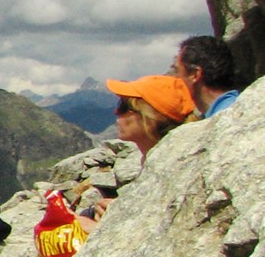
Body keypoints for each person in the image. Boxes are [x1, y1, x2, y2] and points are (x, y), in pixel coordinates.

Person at [80, 75, 193, 231]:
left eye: (124, 107)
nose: (116, 112)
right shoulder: (157, 162)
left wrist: (93, 228)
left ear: (150, 117)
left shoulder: (169, 172)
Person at [172, 35, 241, 118]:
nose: (174, 78)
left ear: (195, 74)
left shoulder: (229, 116)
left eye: (177, 71)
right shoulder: (241, 106)